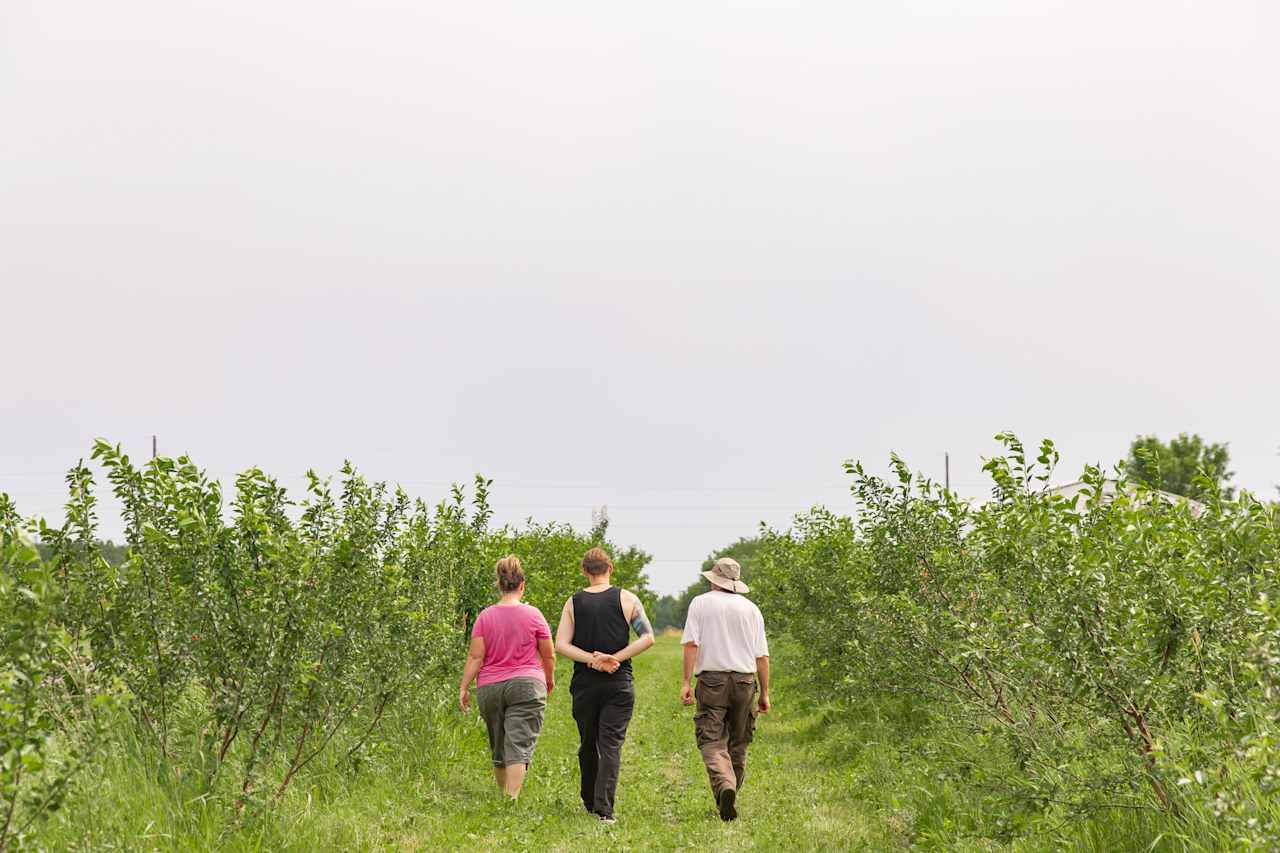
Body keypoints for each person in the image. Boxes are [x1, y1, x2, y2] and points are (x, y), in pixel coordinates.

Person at [554, 547, 655, 823]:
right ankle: (605, 810)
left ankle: (589, 799)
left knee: (588, 742)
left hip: (585, 684)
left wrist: (590, 660)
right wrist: (615, 659)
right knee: (610, 744)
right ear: (610, 568)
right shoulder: (627, 598)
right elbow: (647, 637)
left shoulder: (573, 603)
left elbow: (561, 644)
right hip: (618, 682)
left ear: (584, 571)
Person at [680, 556, 770, 822]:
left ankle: (725, 786)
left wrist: (686, 681)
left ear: (714, 582)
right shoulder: (751, 609)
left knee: (711, 739)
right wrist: (764, 693)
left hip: (712, 680)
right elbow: (762, 656)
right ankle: (729, 794)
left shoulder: (700, 604)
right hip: (744, 681)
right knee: (739, 740)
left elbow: (691, 645)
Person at [459, 555, 555, 799]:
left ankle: (503, 797)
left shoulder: (484, 617)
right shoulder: (534, 615)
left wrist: (464, 687)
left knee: (499, 743)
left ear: (499, 585)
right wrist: (548, 678)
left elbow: (475, 657)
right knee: (519, 742)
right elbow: (548, 654)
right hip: (527, 684)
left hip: (490, 687)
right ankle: (511, 801)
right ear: (522, 585)